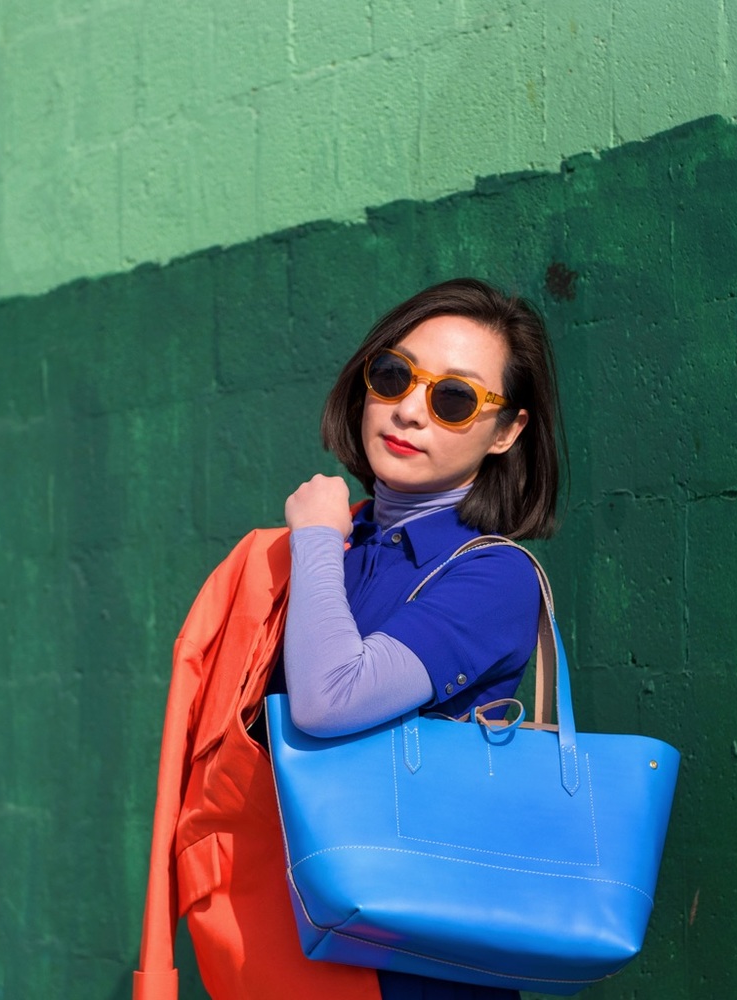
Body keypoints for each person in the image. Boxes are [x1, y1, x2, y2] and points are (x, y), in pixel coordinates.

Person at [262, 276, 565, 1000]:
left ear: (508, 431)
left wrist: (311, 540)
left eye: (453, 398)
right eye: (394, 375)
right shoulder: (346, 543)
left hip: (409, 973)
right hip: (294, 953)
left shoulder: (494, 577)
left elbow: (330, 700)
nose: (408, 411)